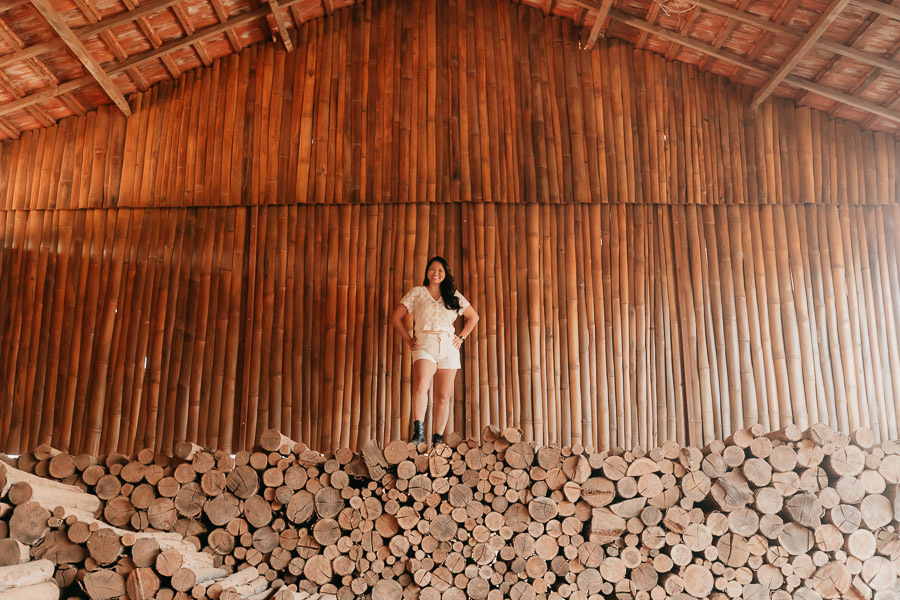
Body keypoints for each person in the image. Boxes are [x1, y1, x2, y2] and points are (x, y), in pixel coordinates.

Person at [391, 256, 479, 445]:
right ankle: (419, 430)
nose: (436, 273)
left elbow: (474, 317)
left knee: (443, 396)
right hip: (425, 343)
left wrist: (461, 337)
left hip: (449, 346)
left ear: (445, 274)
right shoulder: (417, 292)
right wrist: (408, 339)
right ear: (427, 272)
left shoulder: (453, 295)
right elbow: (395, 317)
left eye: (440, 270)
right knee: (422, 384)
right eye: (432, 269)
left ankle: (438, 438)